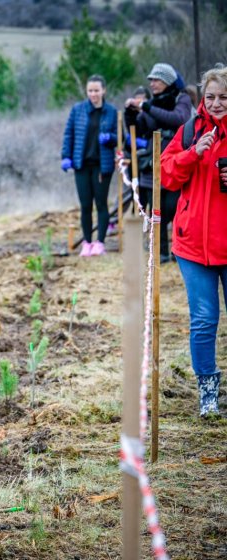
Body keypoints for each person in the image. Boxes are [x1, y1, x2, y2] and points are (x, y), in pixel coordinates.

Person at [161, 65, 227, 417]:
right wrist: (193, 153)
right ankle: (208, 393)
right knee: (204, 319)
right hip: (192, 246)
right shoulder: (189, 130)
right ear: (202, 96)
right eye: (211, 97)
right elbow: (167, 175)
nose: (216, 103)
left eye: (223, 98)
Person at [125, 63, 193, 263]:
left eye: (156, 80)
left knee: (174, 207)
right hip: (153, 165)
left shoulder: (182, 99)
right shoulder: (153, 103)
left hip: (176, 163)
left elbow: (178, 119)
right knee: (156, 209)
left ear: (167, 81)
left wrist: (146, 106)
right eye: (150, 80)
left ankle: (178, 248)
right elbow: (141, 127)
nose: (152, 84)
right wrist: (130, 114)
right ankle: (161, 252)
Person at [61, 74, 118, 257]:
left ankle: (100, 243)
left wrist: (111, 138)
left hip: (102, 166)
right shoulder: (78, 110)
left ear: (103, 90)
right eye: (90, 91)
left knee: (101, 204)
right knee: (85, 205)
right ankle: (87, 242)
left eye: (97, 90)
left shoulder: (111, 112)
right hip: (82, 165)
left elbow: (121, 137)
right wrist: (66, 156)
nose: (93, 94)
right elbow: (69, 134)